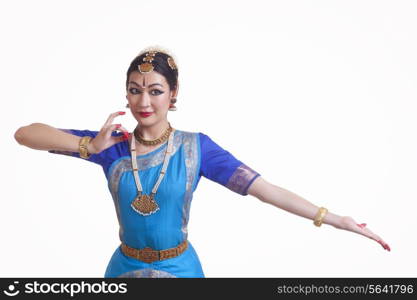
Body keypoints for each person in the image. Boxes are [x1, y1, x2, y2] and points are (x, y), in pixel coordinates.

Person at [14, 46, 390, 278]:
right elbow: (25, 134)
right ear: (126, 95)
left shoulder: (196, 150)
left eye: (155, 91)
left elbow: (265, 190)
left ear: (173, 94)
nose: (144, 102)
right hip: (123, 269)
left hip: (180, 270)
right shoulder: (111, 145)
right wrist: (86, 146)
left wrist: (332, 218)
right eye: (135, 90)